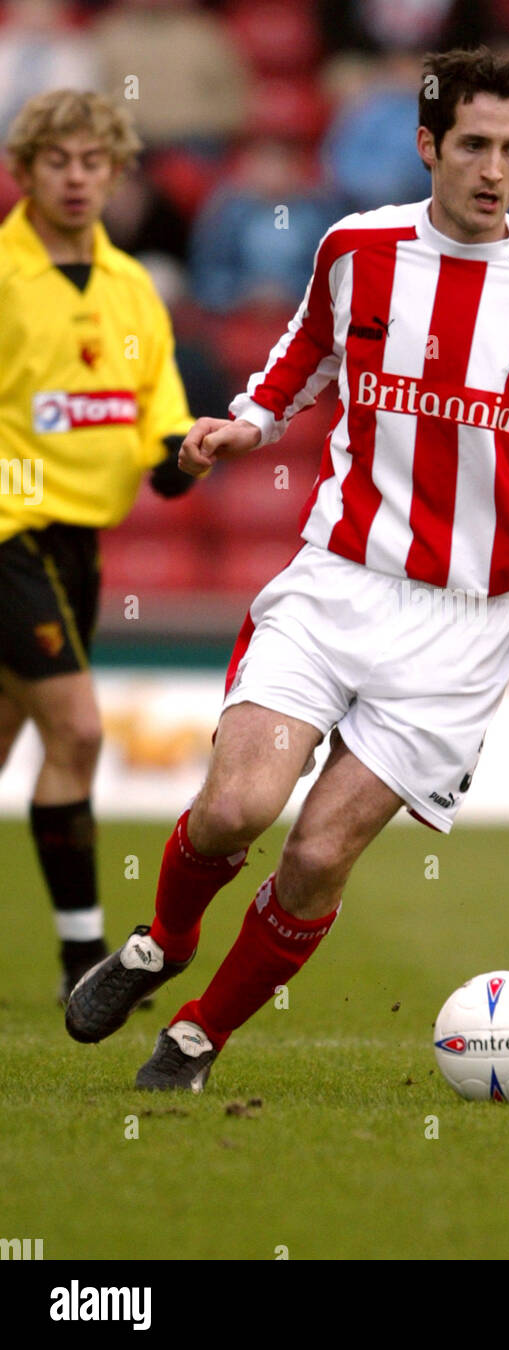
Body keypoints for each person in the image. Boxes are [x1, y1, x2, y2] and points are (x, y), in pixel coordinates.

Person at [66, 47, 509, 1092]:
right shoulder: (356, 250)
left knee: (319, 855)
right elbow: (306, 353)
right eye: (473, 144)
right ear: (427, 145)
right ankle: (163, 940)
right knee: (238, 806)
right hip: (339, 578)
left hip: (464, 626)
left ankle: (195, 1038)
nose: (493, 168)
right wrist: (246, 421)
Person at [0, 89, 196, 1001]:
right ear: (26, 169)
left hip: (80, 541)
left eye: (93, 163)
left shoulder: (130, 288)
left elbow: (158, 410)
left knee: (10, 737)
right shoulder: (4, 275)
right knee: (78, 730)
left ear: (116, 173)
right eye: (57, 162)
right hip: (10, 529)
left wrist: (181, 457)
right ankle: (85, 959)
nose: (76, 180)